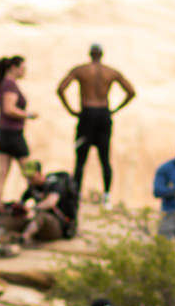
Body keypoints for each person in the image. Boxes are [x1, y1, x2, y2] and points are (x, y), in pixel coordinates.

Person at [56, 43, 136, 204]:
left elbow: (61, 89)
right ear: (102, 54)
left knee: (81, 158)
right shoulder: (111, 72)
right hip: (103, 114)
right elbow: (131, 92)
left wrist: (71, 109)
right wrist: (115, 109)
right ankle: (106, 196)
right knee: (105, 158)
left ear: (90, 54)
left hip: (87, 113)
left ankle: (76, 194)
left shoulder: (80, 70)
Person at [0, 159, 79, 245]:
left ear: (39, 173)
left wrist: (33, 208)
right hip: (41, 226)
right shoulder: (32, 187)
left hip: (59, 226)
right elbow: (22, 202)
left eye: (32, 177)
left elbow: (51, 202)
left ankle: (24, 238)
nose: (30, 180)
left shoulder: (53, 183)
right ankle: (5, 236)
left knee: (40, 215)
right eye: (27, 177)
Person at [0, 55, 34, 208]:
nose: (24, 71)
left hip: (4, 132)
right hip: (12, 133)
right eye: (22, 68)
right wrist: (28, 114)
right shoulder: (9, 85)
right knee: (29, 168)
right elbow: (9, 109)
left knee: (3, 170)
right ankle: (37, 197)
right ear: (14, 68)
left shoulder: (6, 84)